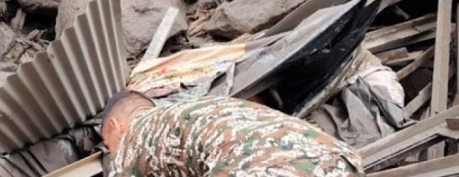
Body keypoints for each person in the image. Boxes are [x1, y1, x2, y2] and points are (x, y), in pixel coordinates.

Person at [101, 91, 365, 177]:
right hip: (338, 161)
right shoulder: (207, 107)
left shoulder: (135, 135)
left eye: (107, 145)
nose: (112, 153)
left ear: (116, 125)